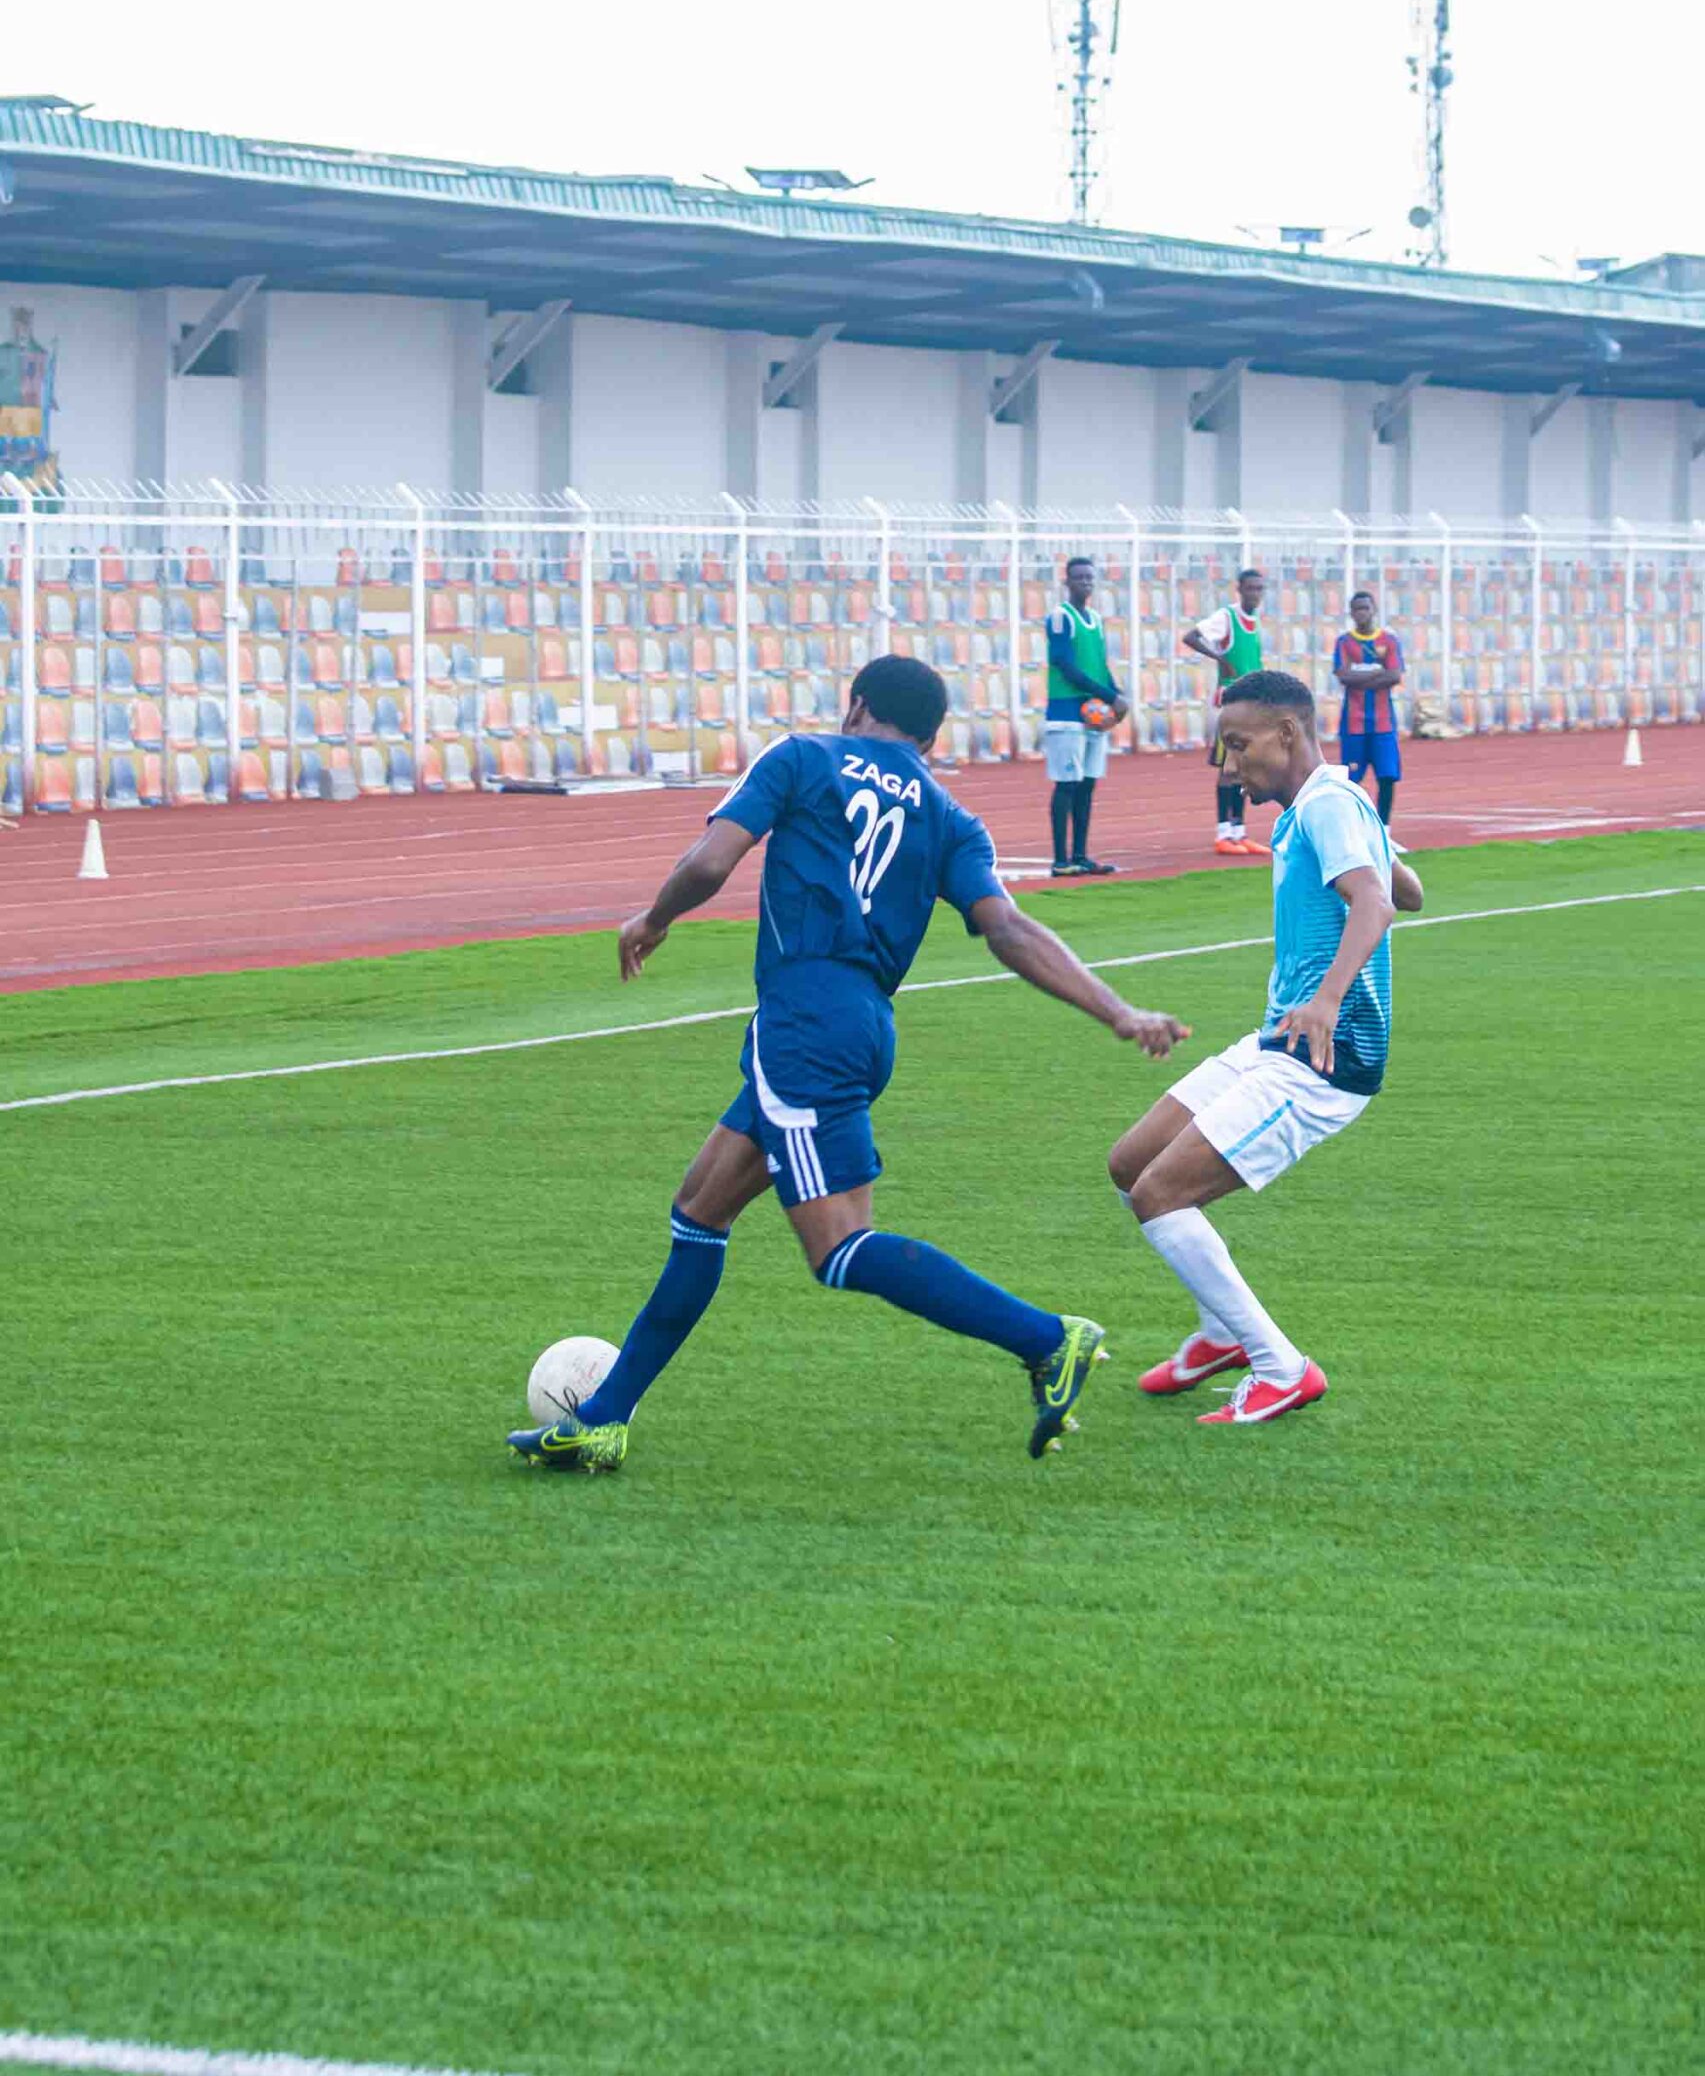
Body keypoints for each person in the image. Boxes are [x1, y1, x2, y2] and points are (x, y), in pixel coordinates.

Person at [509, 654, 1190, 1475]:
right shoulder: (949, 817)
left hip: (804, 1021)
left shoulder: (801, 756)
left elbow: (711, 862)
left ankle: (1048, 1339)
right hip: (865, 1023)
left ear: (856, 704)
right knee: (699, 1210)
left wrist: (652, 918)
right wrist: (1117, 1011)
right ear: (931, 736)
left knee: (837, 1247)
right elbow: (1008, 930)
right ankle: (601, 1420)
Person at [1108, 669, 1424, 1427]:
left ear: (1286, 734)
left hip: (1322, 1056)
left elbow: (1377, 903)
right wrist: (1374, 848)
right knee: (1129, 1165)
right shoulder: (1322, 808)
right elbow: (1406, 890)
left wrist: (1325, 999)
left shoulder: (1326, 804)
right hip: (1276, 1038)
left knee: (1160, 1195)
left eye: (1238, 744)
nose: (1228, 765)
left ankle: (1281, 1368)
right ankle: (1220, 1335)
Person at [1043, 555, 1128, 878]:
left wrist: (1117, 696)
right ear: (1067, 581)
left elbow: (1099, 664)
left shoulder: (1095, 618)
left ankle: (1080, 854)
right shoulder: (1059, 618)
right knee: (1066, 784)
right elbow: (1065, 665)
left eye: (1090, 578)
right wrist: (1110, 697)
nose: (1085, 583)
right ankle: (1060, 860)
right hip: (1066, 712)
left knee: (1088, 785)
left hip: (1093, 715)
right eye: (1079, 578)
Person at [1182, 567, 1267, 858]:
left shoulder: (1254, 620)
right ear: (1239, 589)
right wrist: (1220, 659)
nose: (1255, 593)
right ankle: (1222, 833)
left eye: (1259, 588)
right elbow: (1191, 637)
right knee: (1228, 770)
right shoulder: (1226, 618)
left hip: (1251, 704)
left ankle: (1239, 832)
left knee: (1244, 770)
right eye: (1251, 588)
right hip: (1231, 705)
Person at [1333, 590, 1405, 826]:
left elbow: (1394, 675)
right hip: (1353, 724)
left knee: (1387, 777)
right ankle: (1353, 828)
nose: (1361, 613)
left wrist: (1360, 676)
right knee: (1351, 780)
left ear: (1373, 610)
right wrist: (1377, 673)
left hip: (1383, 724)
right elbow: (1343, 676)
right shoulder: (1344, 642)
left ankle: (1384, 830)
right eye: (1357, 609)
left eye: (1365, 608)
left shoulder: (1389, 641)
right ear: (1351, 613)